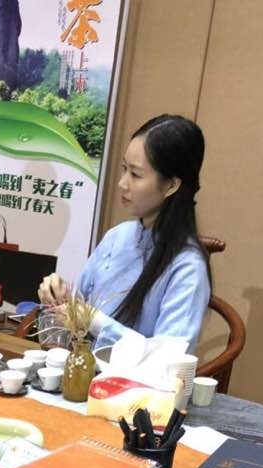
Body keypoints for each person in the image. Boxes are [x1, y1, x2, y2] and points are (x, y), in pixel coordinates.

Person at [39, 114, 211, 353]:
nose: (122, 183)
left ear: (171, 185)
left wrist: (93, 320)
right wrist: (57, 297)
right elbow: (72, 318)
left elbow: (169, 359)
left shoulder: (187, 268)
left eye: (136, 174)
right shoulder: (116, 237)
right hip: (81, 368)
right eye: (124, 169)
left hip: (130, 379)